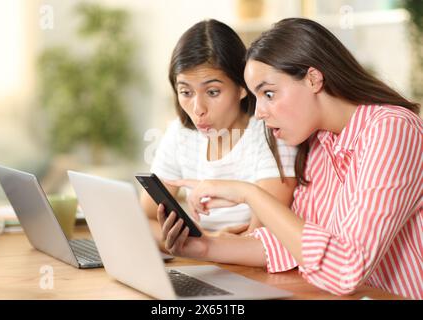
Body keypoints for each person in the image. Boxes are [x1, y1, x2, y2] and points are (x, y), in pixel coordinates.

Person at [158, 18, 423, 300]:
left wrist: (249, 194)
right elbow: (292, 245)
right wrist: (204, 247)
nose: (259, 112)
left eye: (269, 93)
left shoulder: (392, 128)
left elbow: (346, 267)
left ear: (313, 79)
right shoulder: (321, 142)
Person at [141, 19, 297, 246]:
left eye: (212, 92)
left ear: (243, 87)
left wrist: (195, 241)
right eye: (186, 91)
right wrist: (210, 240)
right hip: (203, 262)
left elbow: (259, 240)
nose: (198, 109)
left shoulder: (271, 134)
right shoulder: (179, 134)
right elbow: (145, 218)